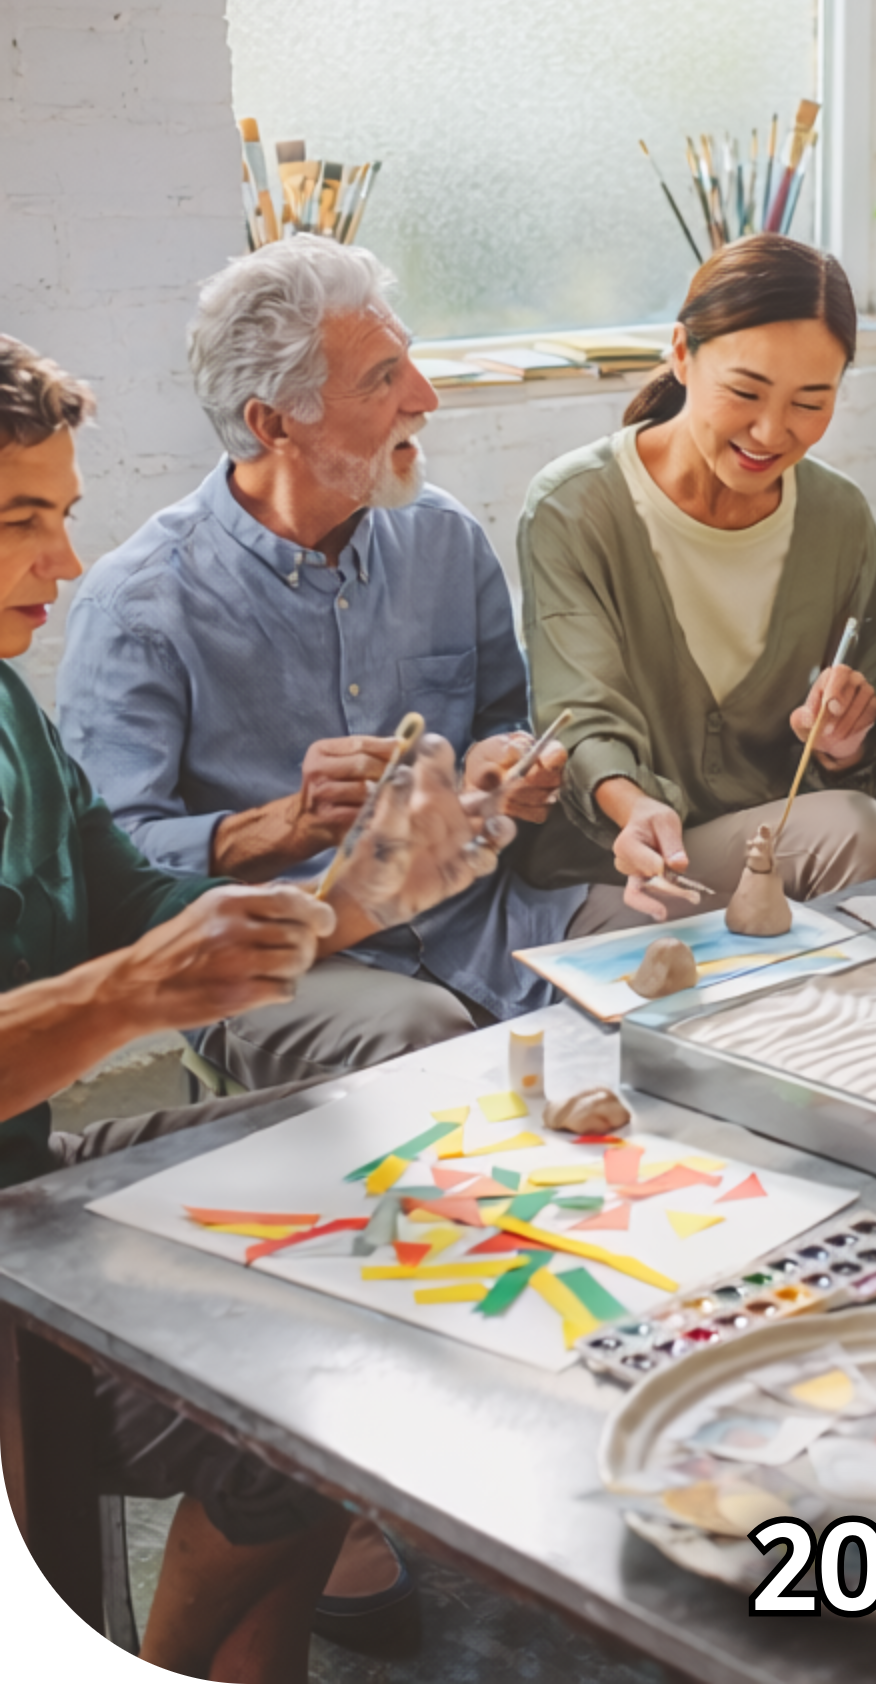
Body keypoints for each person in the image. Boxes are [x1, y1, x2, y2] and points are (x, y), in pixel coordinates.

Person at [0, 333, 516, 1683]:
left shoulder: (4, 703)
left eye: (58, 515)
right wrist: (127, 994)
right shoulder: (138, 596)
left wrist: (362, 898)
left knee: (397, 1224)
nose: (62, 561)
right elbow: (139, 966)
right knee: (311, 1352)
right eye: (22, 522)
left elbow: (138, 913)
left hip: (27, 1172)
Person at [57, 236, 584, 1091]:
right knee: (430, 1036)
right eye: (382, 378)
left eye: (408, 361)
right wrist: (285, 827)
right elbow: (108, 869)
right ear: (272, 422)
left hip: (479, 919)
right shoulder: (137, 608)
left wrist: (507, 763)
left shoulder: (446, 539)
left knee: (660, 948)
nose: (426, 396)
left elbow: (501, 718)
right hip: (279, 959)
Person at [517, 233, 876, 922]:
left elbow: (870, 745)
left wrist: (846, 746)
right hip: (622, 862)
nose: (770, 431)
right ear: (680, 353)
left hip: (763, 847)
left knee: (865, 832)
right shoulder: (575, 508)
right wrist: (636, 807)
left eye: (810, 403)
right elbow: (582, 718)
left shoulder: (839, 518)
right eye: (745, 391)